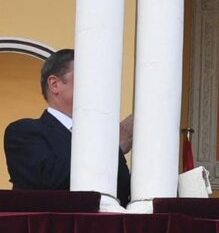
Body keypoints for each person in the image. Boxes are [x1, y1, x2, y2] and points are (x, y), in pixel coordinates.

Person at [4, 48, 132, 206]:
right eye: (86, 77)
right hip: (53, 228)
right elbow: (48, 181)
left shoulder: (101, 138)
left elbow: (123, 194)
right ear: (54, 84)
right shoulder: (24, 132)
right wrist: (110, 148)